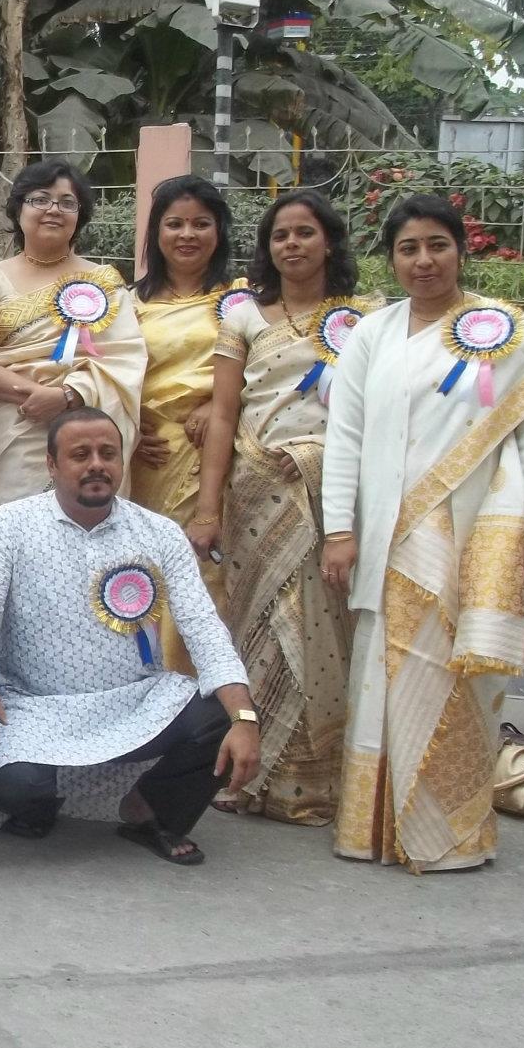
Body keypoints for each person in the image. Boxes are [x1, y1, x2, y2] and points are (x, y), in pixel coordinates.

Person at [322, 194, 524, 872]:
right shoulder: (373, 335)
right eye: (408, 248)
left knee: (459, 678)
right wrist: (339, 529)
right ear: (391, 258)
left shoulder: (505, 333)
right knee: (382, 678)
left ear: (461, 251)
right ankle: (373, 830)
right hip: (388, 533)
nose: (424, 261)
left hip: (473, 534)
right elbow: (345, 438)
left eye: (437, 245)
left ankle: (447, 837)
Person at [0, 408, 261, 866]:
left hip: (136, 700)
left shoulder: (159, 533)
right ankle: (37, 803)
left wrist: (245, 717)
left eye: (108, 454)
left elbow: (203, 627)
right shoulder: (11, 525)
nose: (96, 464)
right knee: (18, 789)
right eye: (81, 455)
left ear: (122, 460)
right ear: (52, 464)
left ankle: (149, 811)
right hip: (37, 706)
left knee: (221, 713)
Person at [186, 191, 371, 824]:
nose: (292, 244)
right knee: (258, 629)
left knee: (321, 629)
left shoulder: (363, 320)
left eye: (304, 233)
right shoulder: (244, 318)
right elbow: (223, 416)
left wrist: (318, 455)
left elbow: (376, 415)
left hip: (330, 495)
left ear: (329, 241)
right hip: (254, 490)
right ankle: (250, 776)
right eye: (280, 235)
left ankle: (314, 784)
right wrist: (207, 509)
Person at [0, 161, 145, 533]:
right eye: (40, 199)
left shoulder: (104, 282)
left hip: (84, 431)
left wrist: (66, 396)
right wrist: (37, 396)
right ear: (19, 208)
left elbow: (125, 361)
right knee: (14, 535)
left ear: (80, 215)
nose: (53, 210)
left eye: (67, 202)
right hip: (11, 429)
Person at [128, 175, 239, 673]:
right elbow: (110, 376)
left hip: (214, 454)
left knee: (202, 570)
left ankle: (202, 689)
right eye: (175, 224)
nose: (187, 235)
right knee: (141, 574)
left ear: (219, 231)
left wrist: (217, 400)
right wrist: (128, 434)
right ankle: (144, 689)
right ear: (156, 233)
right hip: (148, 458)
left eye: (201, 224)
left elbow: (266, 368)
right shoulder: (129, 303)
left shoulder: (241, 299)